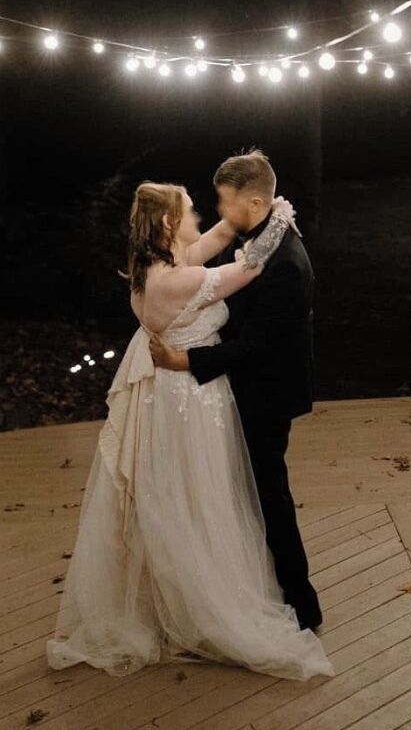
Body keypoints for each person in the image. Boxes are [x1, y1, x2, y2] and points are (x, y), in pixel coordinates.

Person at [48, 179, 331, 680]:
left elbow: (221, 235)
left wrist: (262, 208)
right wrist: (280, 219)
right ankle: (201, 602)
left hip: (178, 393)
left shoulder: (159, 265)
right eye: (190, 210)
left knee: (185, 493)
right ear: (168, 224)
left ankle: (180, 594)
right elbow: (248, 268)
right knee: (196, 495)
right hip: (188, 399)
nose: (200, 216)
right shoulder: (173, 281)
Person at [150, 150, 325, 635]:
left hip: (266, 394)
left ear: (255, 202)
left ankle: (302, 602)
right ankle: (254, 584)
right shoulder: (264, 235)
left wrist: (184, 361)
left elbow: (252, 346)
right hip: (248, 385)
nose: (220, 211)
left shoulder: (284, 263)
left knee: (269, 495)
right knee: (247, 491)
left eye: (226, 202)